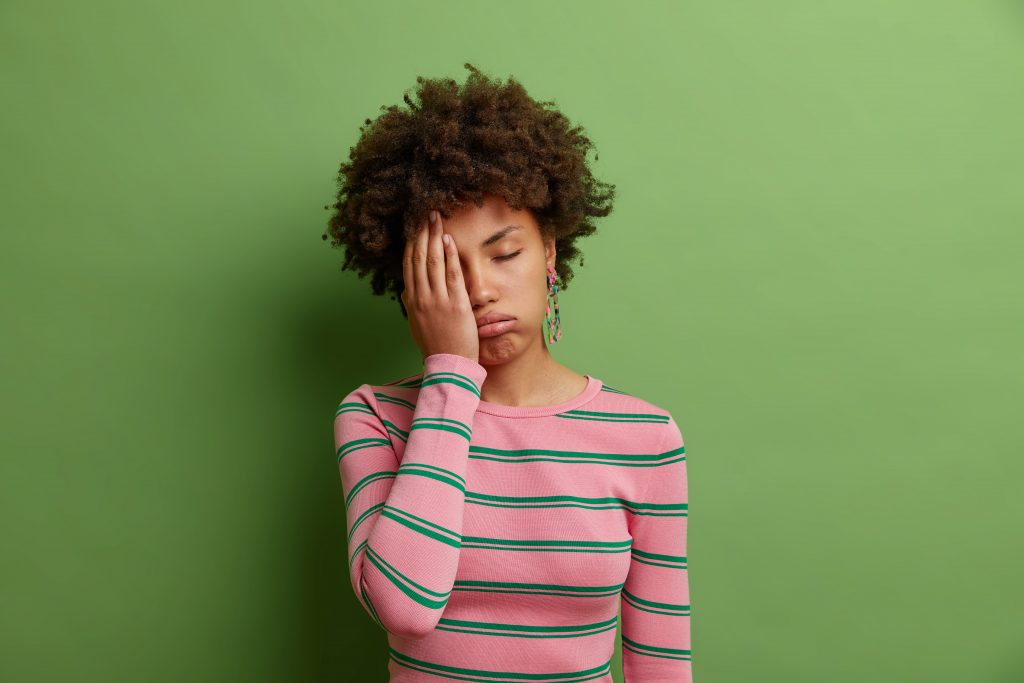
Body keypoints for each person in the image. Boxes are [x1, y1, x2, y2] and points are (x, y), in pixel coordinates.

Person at [324, 63, 692, 682]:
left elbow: (661, 665)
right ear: (409, 281)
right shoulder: (374, 418)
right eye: (447, 268)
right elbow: (405, 606)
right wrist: (449, 375)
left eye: (504, 253)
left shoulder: (645, 439)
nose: (481, 291)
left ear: (549, 250)